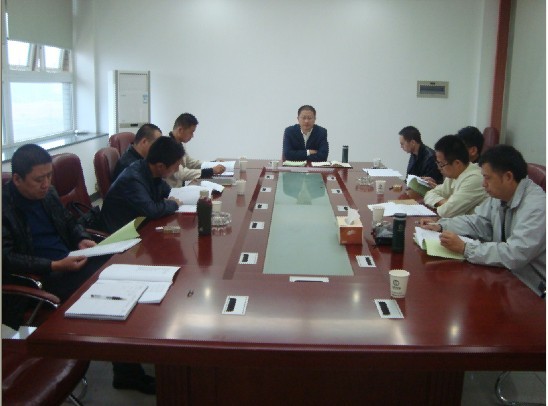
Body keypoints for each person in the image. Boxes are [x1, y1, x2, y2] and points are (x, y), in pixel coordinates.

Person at [2, 144, 155, 394]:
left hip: (69, 261)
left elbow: (69, 222)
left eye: (49, 176)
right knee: (110, 294)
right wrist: (53, 265)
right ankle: (128, 372)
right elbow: (6, 259)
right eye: (39, 179)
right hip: (40, 277)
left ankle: (140, 353)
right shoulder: (4, 208)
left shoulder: (48, 194)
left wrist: (81, 238)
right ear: (17, 179)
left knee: (124, 268)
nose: (46, 184)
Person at [419, 145, 545, 297]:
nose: (483, 184)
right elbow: (478, 222)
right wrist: (441, 225)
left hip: (534, 290)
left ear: (508, 177)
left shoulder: (537, 207)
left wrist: (466, 249)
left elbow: (514, 254)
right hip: (506, 276)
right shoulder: (500, 196)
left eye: (487, 177)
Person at [101, 136, 185, 233]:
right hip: (119, 234)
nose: (177, 170)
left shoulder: (151, 171)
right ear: (160, 166)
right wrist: (173, 204)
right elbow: (152, 211)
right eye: (175, 167)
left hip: (139, 226)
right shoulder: (133, 179)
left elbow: (168, 192)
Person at [423, 135, 487, 217]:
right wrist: (444, 202)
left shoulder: (475, 179)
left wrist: (446, 204)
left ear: (457, 163)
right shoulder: (454, 175)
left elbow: (446, 212)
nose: (439, 168)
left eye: (441, 164)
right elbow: (429, 194)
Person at [166, 113, 225, 187]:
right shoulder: (167, 146)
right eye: (191, 132)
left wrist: (213, 163)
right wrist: (211, 171)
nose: (192, 136)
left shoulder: (178, 144)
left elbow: (191, 163)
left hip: (179, 188)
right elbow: (181, 173)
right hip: (171, 191)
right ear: (180, 130)